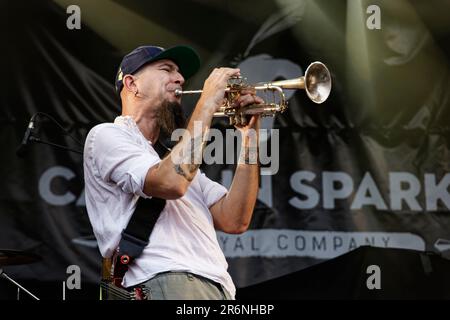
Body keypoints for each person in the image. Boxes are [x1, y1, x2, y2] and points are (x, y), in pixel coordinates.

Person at [83, 45, 263, 300]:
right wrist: (208, 101)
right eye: (166, 69)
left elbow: (235, 220)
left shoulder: (173, 159)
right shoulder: (106, 136)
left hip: (217, 286)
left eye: (179, 73)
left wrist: (250, 136)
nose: (179, 79)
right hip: (165, 279)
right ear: (132, 83)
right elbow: (171, 183)